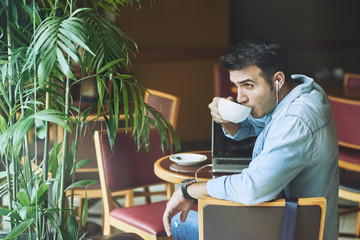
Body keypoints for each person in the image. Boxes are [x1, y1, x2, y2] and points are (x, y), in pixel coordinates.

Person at [162, 37, 339, 240]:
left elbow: (251, 188)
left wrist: (189, 190)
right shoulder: (301, 92)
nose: (240, 98)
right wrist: (228, 123)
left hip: (290, 231)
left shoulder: (296, 119)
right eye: (237, 86)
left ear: (278, 80)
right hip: (288, 220)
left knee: (180, 223)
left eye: (248, 85)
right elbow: (265, 124)